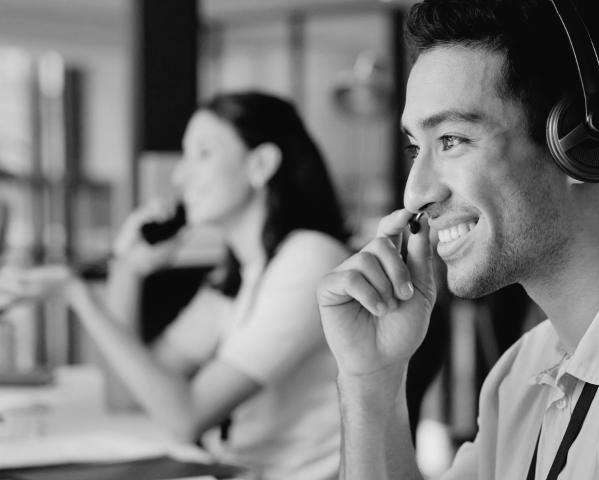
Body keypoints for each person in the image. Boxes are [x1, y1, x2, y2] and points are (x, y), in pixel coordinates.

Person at [316, 1, 599, 479]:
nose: (416, 194)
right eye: (415, 148)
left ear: (587, 143)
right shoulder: (520, 373)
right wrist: (371, 382)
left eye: (452, 139)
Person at [0, 91, 350, 480]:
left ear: (261, 164)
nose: (180, 175)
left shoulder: (310, 260)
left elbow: (186, 417)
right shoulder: (239, 274)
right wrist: (128, 270)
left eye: (202, 154)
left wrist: (78, 295)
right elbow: (127, 396)